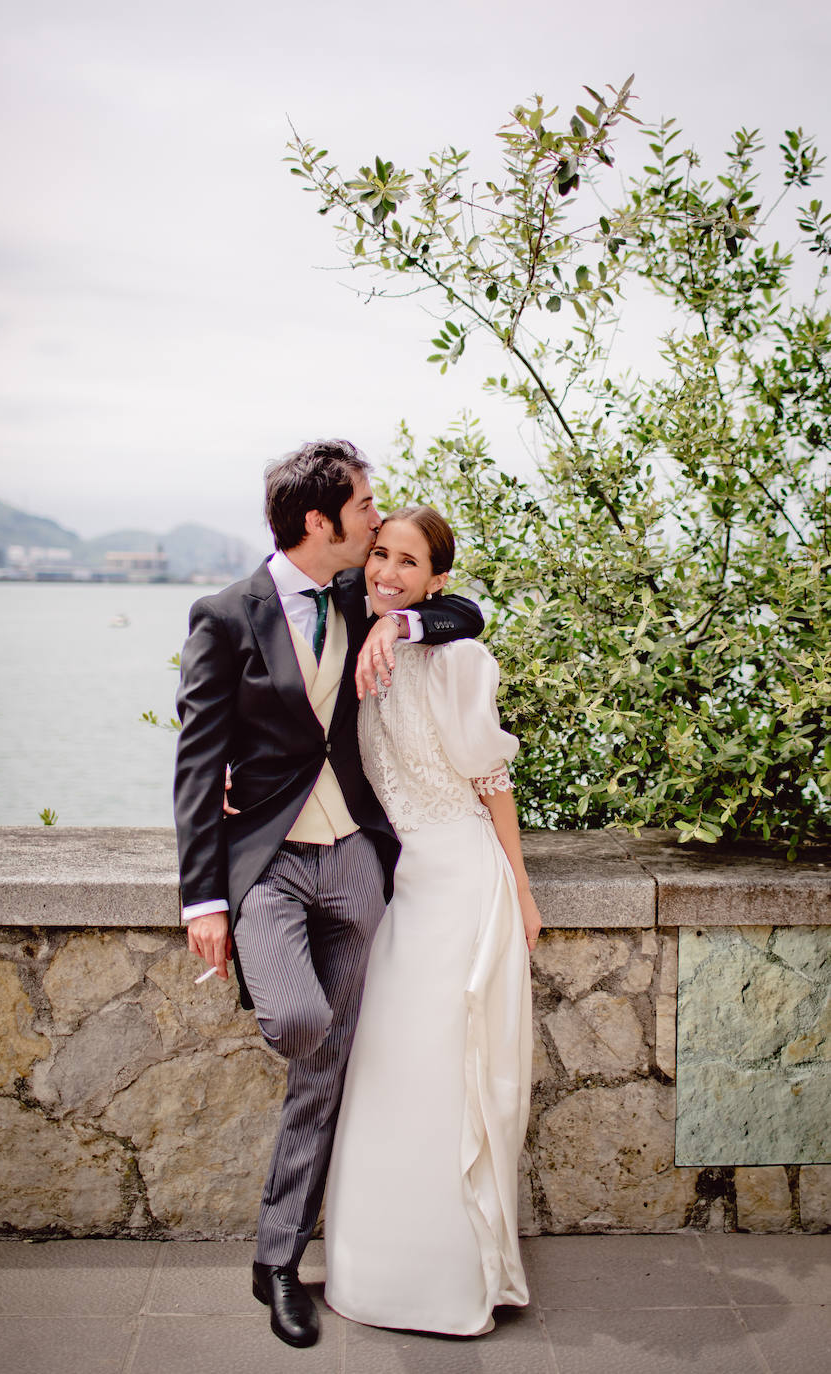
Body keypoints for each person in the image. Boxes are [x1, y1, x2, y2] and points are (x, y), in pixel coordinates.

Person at [174, 441, 484, 1350]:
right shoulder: (225, 615)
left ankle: (277, 1265)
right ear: (320, 521)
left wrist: (405, 627)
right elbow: (196, 763)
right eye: (363, 508)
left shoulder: (361, 596)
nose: (374, 519)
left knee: (326, 1070)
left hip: (356, 859)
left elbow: (461, 607)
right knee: (302, 1025)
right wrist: (204, 901)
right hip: (266, 866)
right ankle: (282, 1242)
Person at [324, 505, 541, 1337]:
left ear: (435, 580)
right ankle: (375, 1270)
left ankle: (456, 1279)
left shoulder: (456, 657)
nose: (388, 571)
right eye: (381, 554)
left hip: (460, 879)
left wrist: (519, 888)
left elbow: (493, 783)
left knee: (452, 1076)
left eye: (409, 563)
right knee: (391, 1073)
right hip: (401, 887)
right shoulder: (352, 627)